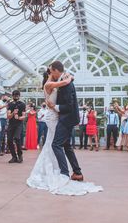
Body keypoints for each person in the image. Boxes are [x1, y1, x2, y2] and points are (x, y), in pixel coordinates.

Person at [27, 67, 102, 195]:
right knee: (57, 144)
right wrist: (69, 78)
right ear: (52, 73)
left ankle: (69, 172)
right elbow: (64, 83)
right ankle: (66, 172)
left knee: (58, 144)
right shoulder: (49, 84)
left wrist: (69, 77)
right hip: (54, 118)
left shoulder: (57, 83)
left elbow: (64, 88)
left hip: (60, 117)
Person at [45, 60, 90, 181]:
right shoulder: (63, 81)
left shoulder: (65, 83)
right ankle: (77, 172)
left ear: (55, 70)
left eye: (51, 71)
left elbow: (69, 105)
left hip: (66, 118)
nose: (51, 74)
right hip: (66, 117)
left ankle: (64, 174)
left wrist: (54, 107)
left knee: (56, 144)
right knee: (66, 145)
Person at [6, 90, 26, 163]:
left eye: (17, 95)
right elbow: (8, 116)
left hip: (19, 124)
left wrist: (19, 117)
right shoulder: (10, 104)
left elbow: (24, 116)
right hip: (11, 124)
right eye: (14, 95)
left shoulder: (22, 104)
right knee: (9, 140)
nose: (16, 97)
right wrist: (13, 114)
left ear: (19, 96)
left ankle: (20, 155)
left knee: (17, 138)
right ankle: (14, 157)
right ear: (12, 96)